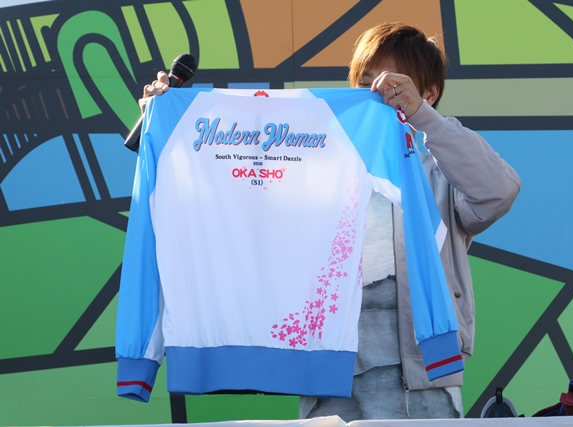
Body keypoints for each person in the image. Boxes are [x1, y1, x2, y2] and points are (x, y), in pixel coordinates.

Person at [139, 22, 521, 420]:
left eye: (393, 84)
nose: (377, 93)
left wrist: (425, 120)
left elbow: (498, 191)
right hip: (328, 377)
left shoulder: (440, 176)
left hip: (422, 383)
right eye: (366, 82)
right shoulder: (314, 169)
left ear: (428, 94)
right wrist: (168, 130)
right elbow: (230, 208)